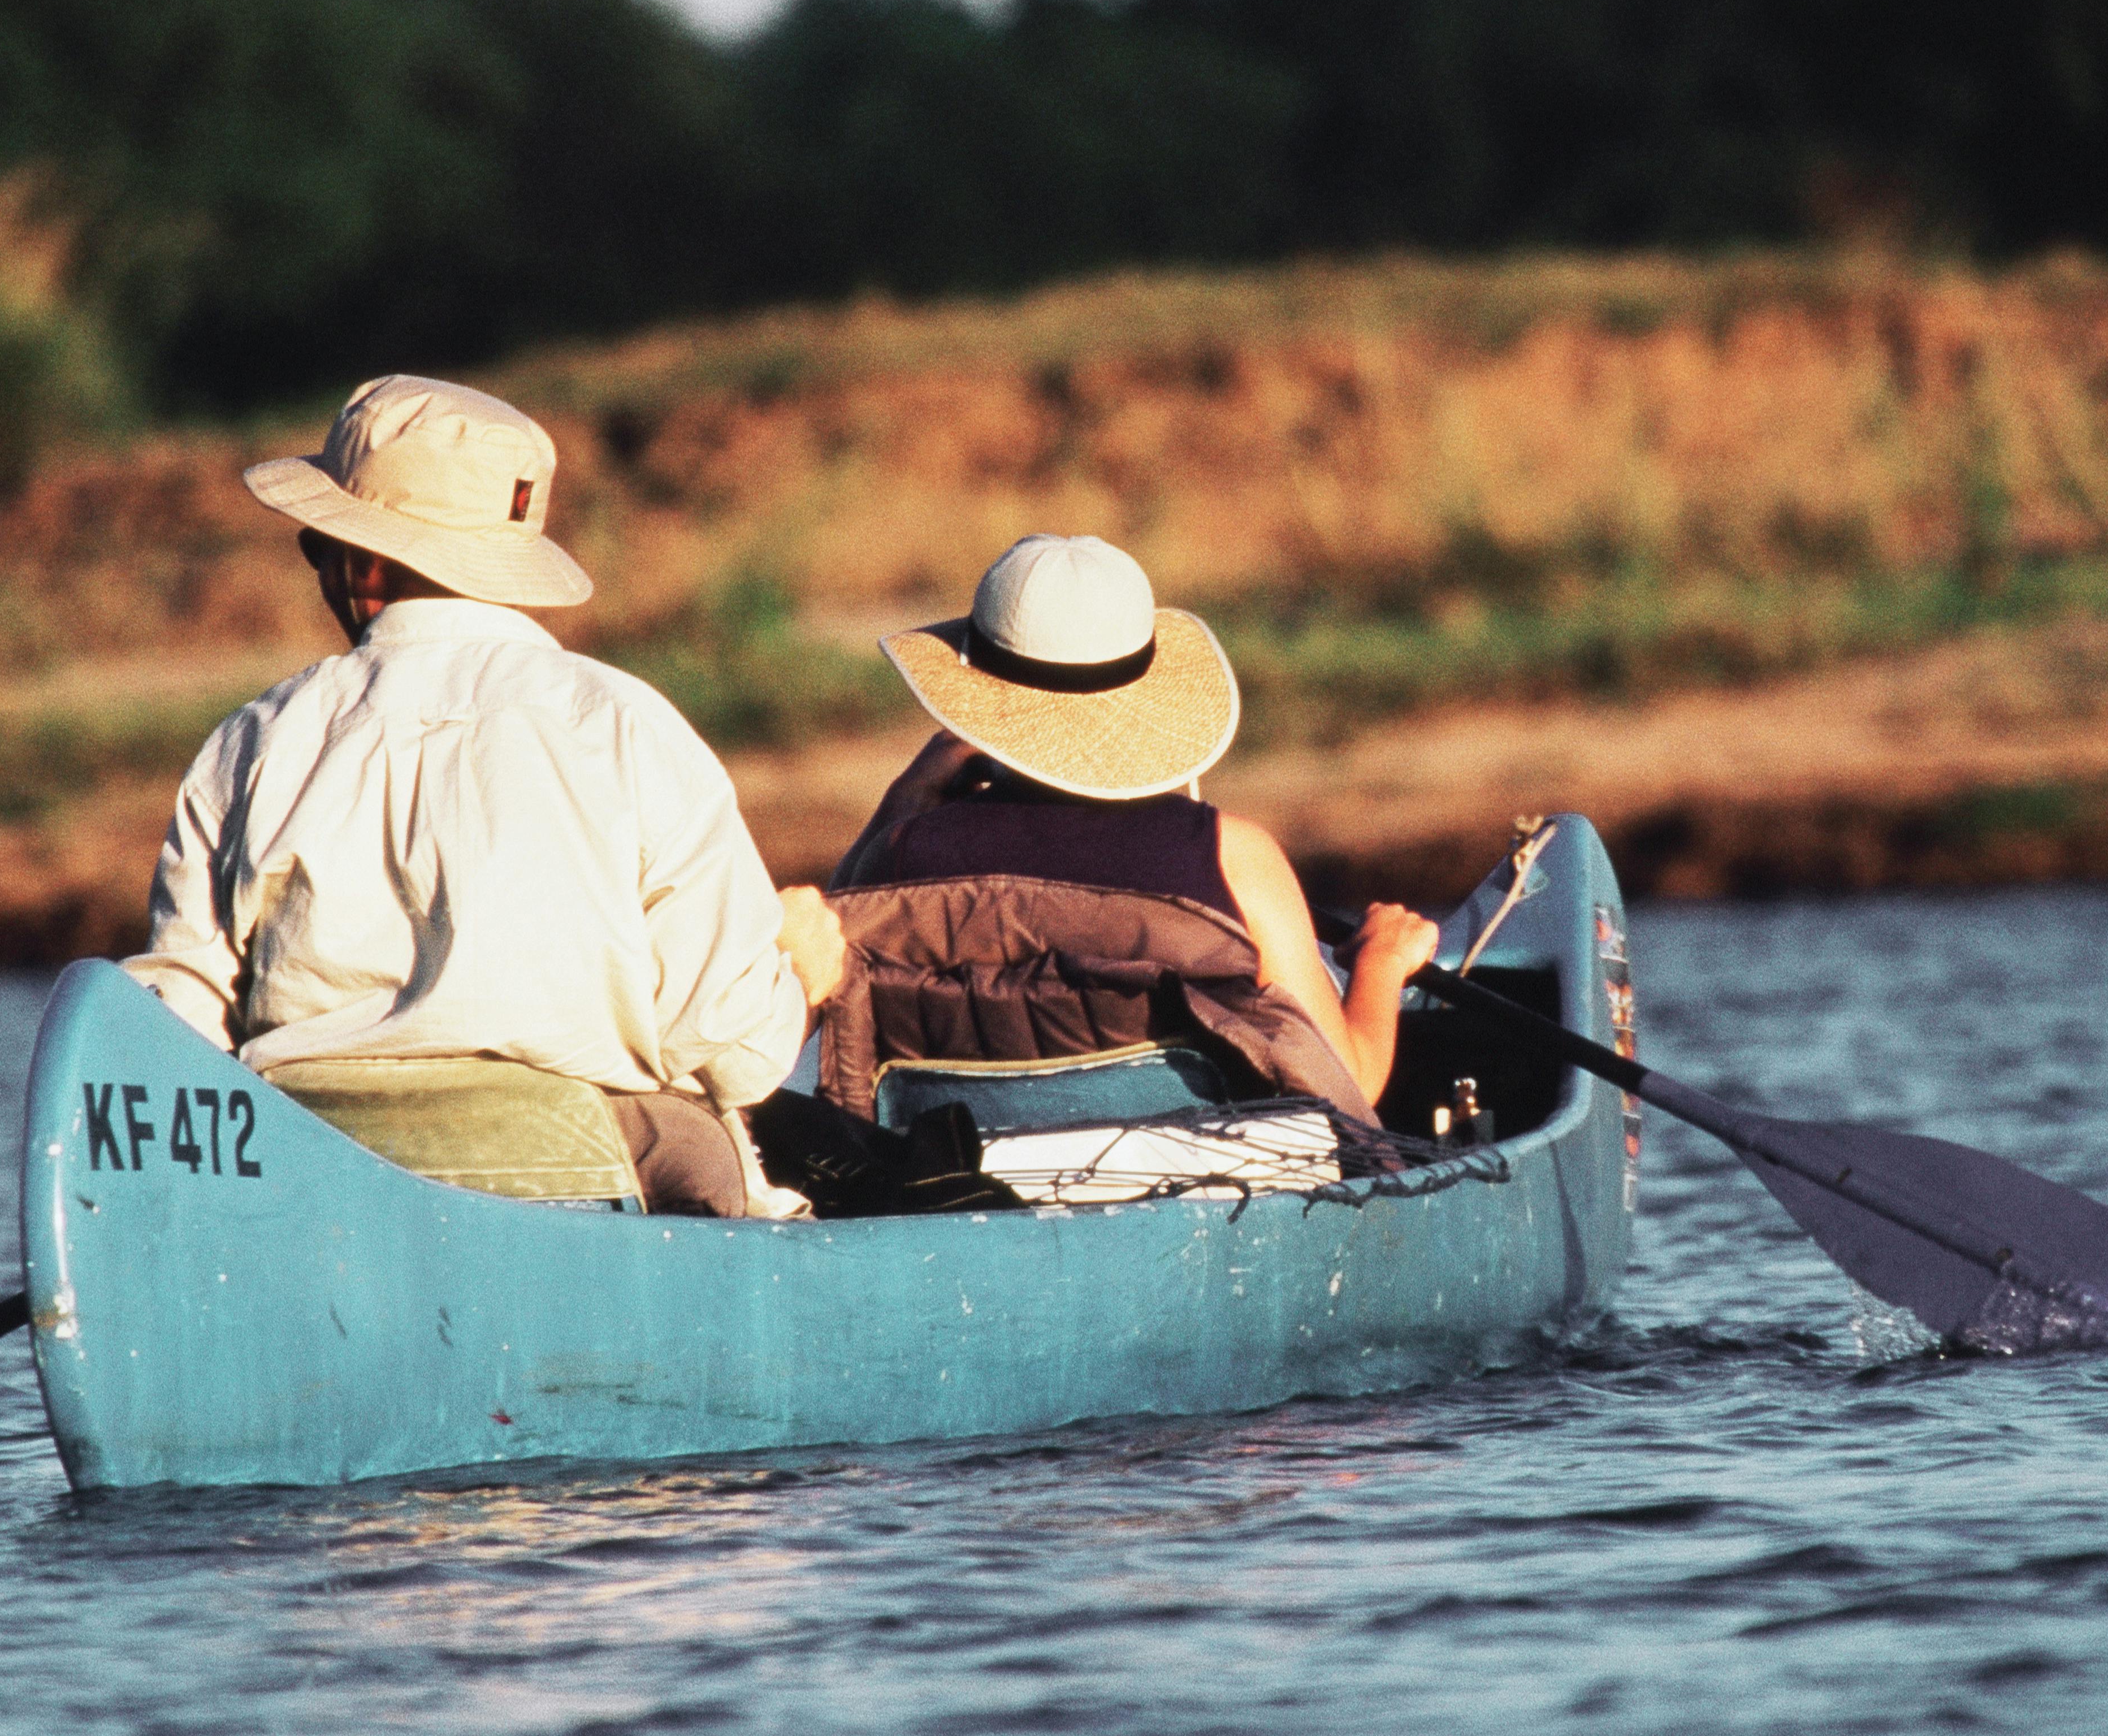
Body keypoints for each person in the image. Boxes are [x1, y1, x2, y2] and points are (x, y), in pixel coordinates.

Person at [121, 374, 844, 1217]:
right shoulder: (630, 726)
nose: (317, 566)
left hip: (315, 1173)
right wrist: (801, 978)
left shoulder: (249, 742)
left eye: (315, 544)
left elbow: (177, 1029)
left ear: (362, 563)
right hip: (579, 1172)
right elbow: (738, 1054)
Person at [823, 533, 1441, 1116]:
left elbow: (827, 958)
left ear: (977, 693)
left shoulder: (903, 855)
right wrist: (1382, 959)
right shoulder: (1232, 855)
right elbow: (1348, 1082)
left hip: (963, 1191)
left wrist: (901, 801)